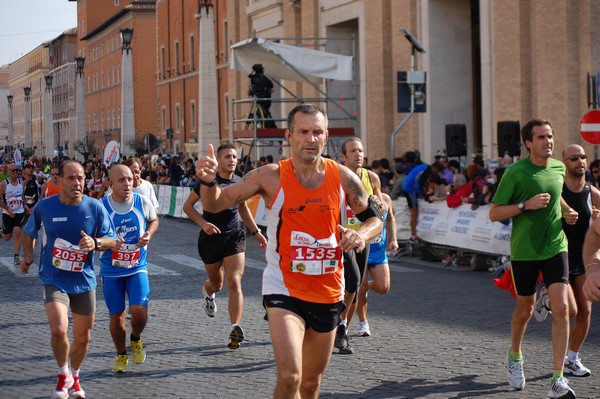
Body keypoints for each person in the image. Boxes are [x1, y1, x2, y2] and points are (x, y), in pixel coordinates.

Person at [194, 104, 383, 398]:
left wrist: (361, 236)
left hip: (328, 288)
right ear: (289, 136)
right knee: (291, 376)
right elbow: (216, 203)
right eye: (303, 132)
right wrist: (208, 181)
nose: (310, 139)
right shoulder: (270, 176)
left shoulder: (342, 176)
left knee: (310, 384)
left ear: (326, 136)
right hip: (284, 287)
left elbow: (375, 219)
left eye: (317, 132)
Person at [489, 118, 578, 399]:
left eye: (550, 136)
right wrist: (524, 205)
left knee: (562, 308)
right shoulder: (516, 172)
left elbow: (556, 194)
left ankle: (557, 379)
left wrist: (565, 210)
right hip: (525, 252)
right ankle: (515, 355)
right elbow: (494, 213)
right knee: (524, 311)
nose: (548, 141)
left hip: (555, 246)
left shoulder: (559, 167)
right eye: (541, 137)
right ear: (528, 143)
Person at [19, 160, 118, 399]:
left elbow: (112, 240)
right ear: (60, 180)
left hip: (83, 280)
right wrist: (29, 257)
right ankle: (63, 373)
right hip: (53, 278)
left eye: (81, 178)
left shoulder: (94, 207)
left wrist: (96, 243)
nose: (77, 183)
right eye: (71, 178)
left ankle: (75, 374)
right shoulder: (45, 207)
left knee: (84, 338)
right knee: (59, 329)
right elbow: (28, 232)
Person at [183, 143, 267, 349]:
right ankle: (209, 292)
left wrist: (256, 232)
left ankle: (234, 328)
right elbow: (187, 207)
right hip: (210, 238)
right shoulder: (205, 181)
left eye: (234, 156)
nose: (232, 160)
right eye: (227, 156)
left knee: (234, 281)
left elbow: (243, 208)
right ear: (218, 160)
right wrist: (204, 224)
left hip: (234, 236)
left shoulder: (240, 181)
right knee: (217, 283)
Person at [533, 144, 600, 378]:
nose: (580, 161)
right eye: (574, 158)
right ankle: (546, 298)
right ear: (564, 163)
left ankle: (573, 359)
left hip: (583, 258)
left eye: (583, 157)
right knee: (569, 310)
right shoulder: (556, 190)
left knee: (586, 311)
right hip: (557, 256)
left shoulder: (593, 194)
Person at [100, 164, 158, 373]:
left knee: (139, 311)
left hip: (137, 266)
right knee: (117, 317)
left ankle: (135, 338)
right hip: (112, 271)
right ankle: (121, 354)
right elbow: (93, 239)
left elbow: (153, 220)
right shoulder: (101, 207)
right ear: (111, 184)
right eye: (121, 180)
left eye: (130, 179)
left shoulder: (142, 201)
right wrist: (107, 243)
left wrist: (149, 234)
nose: (127, 184)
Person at [334, 137, 383, 355]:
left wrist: (377, 204)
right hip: (337, 239)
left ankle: (342, 326)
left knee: (353, 286)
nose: (359, 154)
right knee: (340, 284)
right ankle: (332, 326)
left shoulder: (370, 177)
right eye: (353, 151)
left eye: (361, 150)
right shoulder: (335, 177)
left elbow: (379, 209)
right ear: (343, 156)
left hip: (361, 238)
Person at [355, 192, 398, 337]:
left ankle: (361, 287)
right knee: (360, 288)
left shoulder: (385, 198)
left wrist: (393, 239)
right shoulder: (356, 197)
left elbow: (391, 218)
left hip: (378, 250)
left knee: (383, 287)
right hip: (360, 248)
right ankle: (363, 322)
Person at [0, 163, 25, 265]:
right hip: (7, 212)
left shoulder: (21, 182)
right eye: (13, 171)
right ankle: (2, 232)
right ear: (9, 171)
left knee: (17, 232)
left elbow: (22, 196)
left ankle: (16, 256)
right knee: (7, 237)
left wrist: (26, 206)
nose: (15, 173)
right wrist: (7, 209)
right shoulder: (4, 184)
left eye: (17, 170)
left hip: (19, 211)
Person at [248, 63, 276, 128]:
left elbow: (252, 88)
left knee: (259, 112)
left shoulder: (253, 78)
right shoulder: (263, 78)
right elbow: (271, 85)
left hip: (257, 98)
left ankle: (258, 124)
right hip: (264, 100)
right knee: (264, 113)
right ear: (261, 70)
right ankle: (266, 124)